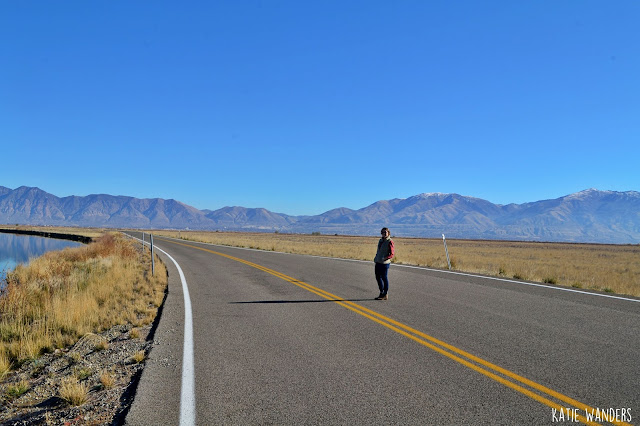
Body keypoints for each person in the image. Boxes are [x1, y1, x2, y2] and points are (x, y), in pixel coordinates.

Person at [374, 227, 395, 300]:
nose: (383, 233)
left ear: (388, 233)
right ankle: (381, 292)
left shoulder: (390, 241)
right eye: (382, 232)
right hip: (378, 261)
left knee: (384, 278)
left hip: (385, 263)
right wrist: (376, 258)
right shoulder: (380, 241)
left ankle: (385, 294)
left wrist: (385, 258)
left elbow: (392, 254)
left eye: (385, 232)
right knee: (378, 277)